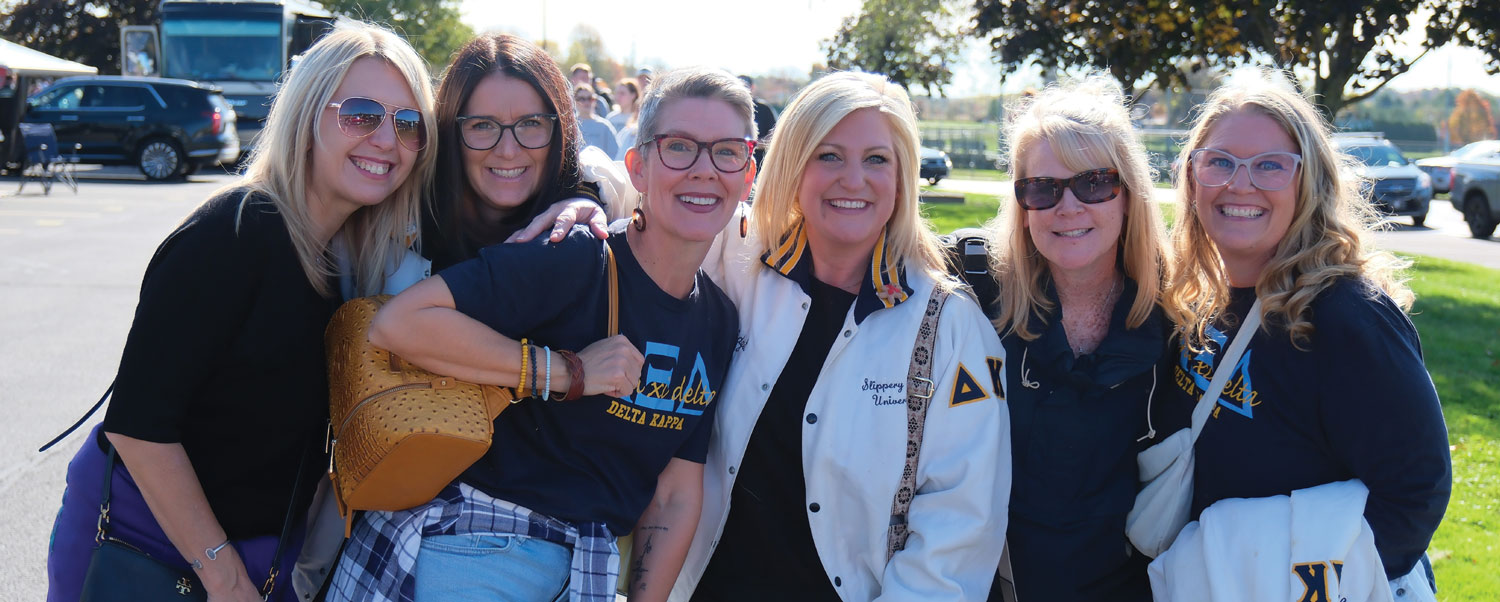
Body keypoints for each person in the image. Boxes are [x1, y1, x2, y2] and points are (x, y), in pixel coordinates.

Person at [327, 66, 755, 602]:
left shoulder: (718, 321)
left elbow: (674, 493)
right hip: (475, 548)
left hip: (580, 570)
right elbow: (401, 323)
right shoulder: (577, 257)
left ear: (748, 174)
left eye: (726, 152)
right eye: (679, 148)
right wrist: (566, 371)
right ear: (638, 167)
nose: (704, 170)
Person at [45, 20, 436, 602]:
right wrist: (223, 574)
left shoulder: (347, 260)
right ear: (306, 118)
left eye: (409, 125)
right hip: (144, 547)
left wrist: (583, 202)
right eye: (360, 114)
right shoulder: (232, 233)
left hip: (258, 557)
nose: (387, 139)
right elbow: (139, 425)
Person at [676, 71, 1009, 601]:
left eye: (877, 159)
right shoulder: (731, 259)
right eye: (829, 156)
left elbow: (960, 524)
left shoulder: (949, 325)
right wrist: (579, 204)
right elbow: (642, 207)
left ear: (902, 178)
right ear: (792, 165)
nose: (854, 179)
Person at [1154, 72, 1450, 589]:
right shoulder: (1194, 299)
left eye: (1270, 166)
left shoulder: (1348, 318)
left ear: (1308, 183)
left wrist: (1298, 584)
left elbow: (1414, 496)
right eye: (1219, 161)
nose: (1239, 183)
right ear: (1192, 177)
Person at [982, 77, 1170, 601]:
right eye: (1042, 188)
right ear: (1022, 204)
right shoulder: (971, 295)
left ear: (1128, 194)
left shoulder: (1180, 319)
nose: (1067, 207)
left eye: (1093, 183)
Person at [421, 33, 611, 272]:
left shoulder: (592, 231)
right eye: (482, 125)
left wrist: (585, 194)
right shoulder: (406, 236)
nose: (508, 151)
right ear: (450, 132)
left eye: (531, 123)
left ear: (561, 132)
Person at [737, 75, 777, 170]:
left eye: (746, 86)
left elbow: (774, 137)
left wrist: (751, 144)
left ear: (752, 87)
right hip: (734, 167)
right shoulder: (729, 109)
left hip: (760, 167)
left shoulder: (764, 109)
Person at [574, 83, 620, 159]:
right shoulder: (570, 126)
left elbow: (615, 154)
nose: (586, 102)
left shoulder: (604, 126)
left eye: (590, 98)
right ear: (575, 101)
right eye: (582, 99)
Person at [609, 79, 642, 158]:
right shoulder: (611, 118)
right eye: (616, 93)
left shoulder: (638, 118)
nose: (618, 96)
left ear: (633, 95)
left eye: (622, 93)